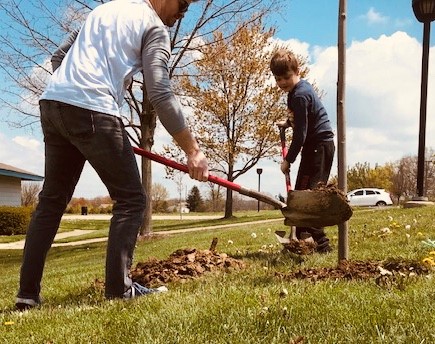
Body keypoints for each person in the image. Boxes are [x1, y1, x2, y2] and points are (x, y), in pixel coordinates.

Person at [15, 0, 208, 310]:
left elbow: (58, 56)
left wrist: (81, 87)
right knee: (132, 200)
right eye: (183, 4)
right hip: (94, 109)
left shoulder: (105, 10)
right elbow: (159, 92)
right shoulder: (154, 28)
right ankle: (120, 289)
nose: (182, 14)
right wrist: (192, 150)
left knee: (51, 202)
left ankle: (27, 296)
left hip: (53, 103)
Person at [270, 49, 335, 253]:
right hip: (316, 146)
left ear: (297, 71)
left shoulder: (299, 95)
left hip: (318, 147)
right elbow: (303, 119)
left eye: (286, 77)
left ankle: (322, 245)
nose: (282, 82)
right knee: (301, 193)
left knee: (309, 197)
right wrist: (288, 123)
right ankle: (301, 240)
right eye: (278, 79)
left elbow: (301, 134)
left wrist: (288, 160)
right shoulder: (298, 91)